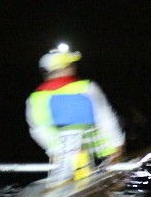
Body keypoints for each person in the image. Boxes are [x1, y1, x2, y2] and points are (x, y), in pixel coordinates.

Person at [26, 44, 125, 188]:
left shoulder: (35, 98)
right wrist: (117, 146)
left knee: (68, 151)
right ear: (65, 68)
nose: (74, 67)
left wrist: (54, 151)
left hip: (62, 153)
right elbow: (106, 119)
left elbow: (38, 129)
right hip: (88, 152)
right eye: (71, 65)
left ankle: (65, 177)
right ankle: (102, 168)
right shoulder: (87, 88)